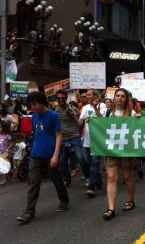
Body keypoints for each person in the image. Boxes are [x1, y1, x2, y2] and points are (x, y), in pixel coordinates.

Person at [17, 92, 69, 223]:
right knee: (33, 182)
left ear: (41, 102)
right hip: (35, 155)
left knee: (56, 179)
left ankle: (64, 200)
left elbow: (58, 135)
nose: (33, 107)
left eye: (34, 104)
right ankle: (29, 212)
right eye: (31, 104)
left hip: (50, 155)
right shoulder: (34, 116)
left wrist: (55, 155)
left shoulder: (53, 115)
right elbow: (37, 135)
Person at [102, 88, 141, 220]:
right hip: (111, 149)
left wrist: (138, 118)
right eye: (117, 96)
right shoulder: (107, 112)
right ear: (114, 98)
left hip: (126, 149)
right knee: (111, 177)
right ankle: (111, 208)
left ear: (126, 99)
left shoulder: (131, 113)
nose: (119, 98)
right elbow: (101, 126)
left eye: (122, 96)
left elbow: (137, 130)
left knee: (127, 176)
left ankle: (131, 200)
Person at [54, 90, 87, 187]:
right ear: (56, 99)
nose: (61, 100)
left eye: (63, 98)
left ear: (66, 98)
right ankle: (67, 180)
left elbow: (79, 124)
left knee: (81, 158)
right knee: (62, 161)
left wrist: (84, 118)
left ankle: (88, 177)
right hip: (62, 139)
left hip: (74, 136)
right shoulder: (54, 110)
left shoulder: (70, 109)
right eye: (59, 98)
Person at [79, 89, 107, 198]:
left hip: (98, 139)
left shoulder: (102, 106)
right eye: (87, 95)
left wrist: (95, 108)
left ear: (95, 96)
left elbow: (103, 120)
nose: (87, 97)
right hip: (87, 140)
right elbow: (80, 122)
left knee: (95, 163)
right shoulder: (85, 108)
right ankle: (98, 181)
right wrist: (72, 117)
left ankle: (91, 187)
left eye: (89, 95)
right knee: (90, 163)